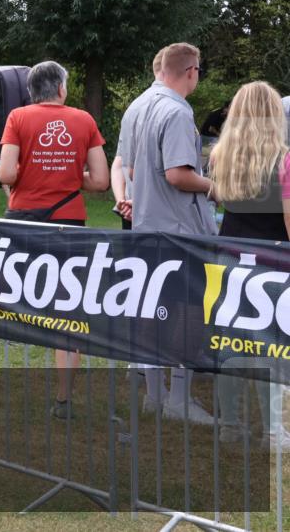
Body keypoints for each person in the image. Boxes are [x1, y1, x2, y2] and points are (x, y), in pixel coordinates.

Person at [0, 61, 108, 419]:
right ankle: (63, 401)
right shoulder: (84, 121)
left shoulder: (19, 118)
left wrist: (34, 172)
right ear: (61, 89)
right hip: (68, 221)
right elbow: (100, 180)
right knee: (67, 310)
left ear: (31, 91)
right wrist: (67, 176)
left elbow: (6, 172)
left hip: (22, 221)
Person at [127, 42, 217, 425]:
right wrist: (215, 186)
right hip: (179, 230)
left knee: (153, 311)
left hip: (146, 225)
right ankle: (179, 398)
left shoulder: (137, 106)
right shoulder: (177, 111)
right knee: (188, 313)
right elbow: (178, 174)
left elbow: (131, 170)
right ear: (192, 71)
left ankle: (153, 394)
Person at [209, 81, 290, 449]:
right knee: (272, 349)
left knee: (229, 345)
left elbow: (222, 201)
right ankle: (274, 430)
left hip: (226, 259)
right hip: (272, 264)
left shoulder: (219, 155)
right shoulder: (284, 161)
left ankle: (230, 425)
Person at [112, 47, 167, 230]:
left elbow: (120, 162)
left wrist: (122, 201)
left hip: (131, 208)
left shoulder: (134, 107)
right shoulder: (171, 110)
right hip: (159, 215)